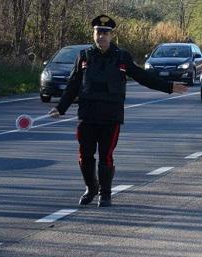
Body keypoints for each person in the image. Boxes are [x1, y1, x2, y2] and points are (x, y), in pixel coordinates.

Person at [48, 15, 188, 207]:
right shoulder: (84, 57)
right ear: (93, 34)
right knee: (85, 155)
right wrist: (59, 108)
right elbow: (72, 86)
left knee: (106, 155)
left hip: (110, 116)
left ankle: (105, 194)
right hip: (87, 115)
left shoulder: (121, 57)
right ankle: (91, 188)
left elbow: (142, 76)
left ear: (112, 35)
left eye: (105, 33)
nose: (101, 37)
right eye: (98, 32)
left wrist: (169, 87)